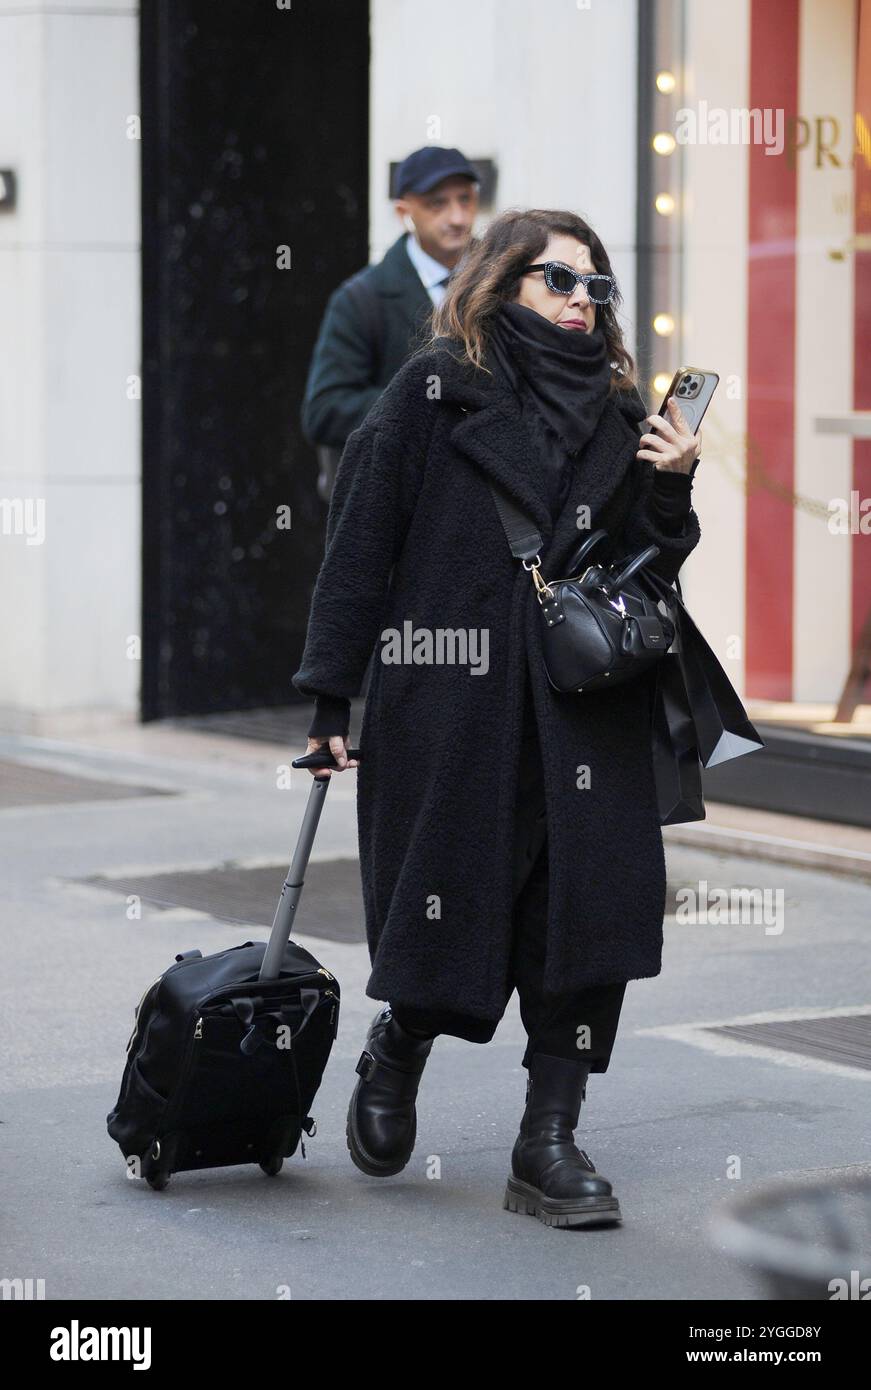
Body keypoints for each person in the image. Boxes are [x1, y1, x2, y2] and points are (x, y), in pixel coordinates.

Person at [292, 209, 702, 1229]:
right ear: (502, 285)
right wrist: (329, 695)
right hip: (454, 699)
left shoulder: (616, 413)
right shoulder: (432, 392)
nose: (578, 302)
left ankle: (546, 1141)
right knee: (450, 898)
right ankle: (400, 1044)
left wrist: (670, 485)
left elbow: (646, 568)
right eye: (557, 281)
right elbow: (358, 544)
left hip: (584, 708)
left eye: (593, 288)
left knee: (588, 918)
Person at [301, 145, 480, 502]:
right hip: (399, 504)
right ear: (404, 212)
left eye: (465, 199)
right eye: (437, 203)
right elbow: (323, 411)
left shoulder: (502, 284)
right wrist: (426, 407)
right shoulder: (361, 298)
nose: (458, 217)